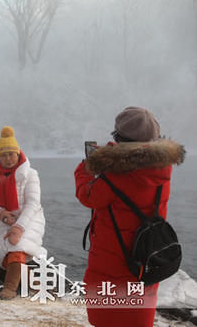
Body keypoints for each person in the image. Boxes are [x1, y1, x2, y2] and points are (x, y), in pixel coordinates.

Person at [74, 107, 185, 327]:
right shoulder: (162, 168)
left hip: (113, 260)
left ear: (119, 138)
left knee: (107, 317)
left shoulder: (116, 175)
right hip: (146, 257)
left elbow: (88, 195)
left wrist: (89, 166)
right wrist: (113, 157)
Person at [0, 126, 46, 300]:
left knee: (16, 246)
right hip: (4, 220)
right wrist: (0, 213)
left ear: (18, 153)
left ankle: (9, 288)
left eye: (11, 154)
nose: (8, 159)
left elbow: (33, 203)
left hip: (29, 218)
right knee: (8, 253)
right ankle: (35, 285)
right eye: (4, 155)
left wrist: (19, 227)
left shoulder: (30, 174)